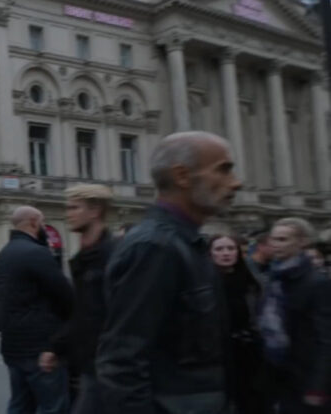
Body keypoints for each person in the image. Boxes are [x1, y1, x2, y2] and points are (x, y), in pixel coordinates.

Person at [97, 131, 242, 414]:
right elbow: (121, 361)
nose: (236, 183)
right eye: (224, 169)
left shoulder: (188, 243)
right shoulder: (155, 247)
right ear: (182, 176)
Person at [0, 205, 74, 414]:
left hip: (12, 347)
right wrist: (56, 342)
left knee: (20, 405)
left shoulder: (2, 256)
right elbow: (66, 295)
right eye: (42, 222)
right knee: (53, 407)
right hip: (40, 348)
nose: (43, 227)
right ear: (33, 222)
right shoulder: (37, 253)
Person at [50, 184, 115, 414]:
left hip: (107, 366)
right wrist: (57, 348)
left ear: (95, 211)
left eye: (74, 207)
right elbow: (82, 312)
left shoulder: (113, 255)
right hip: (86, 364)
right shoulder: (83, 258)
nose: (68, 213)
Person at [259, 218, 331, 413]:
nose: (275, 244)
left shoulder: (317, 283)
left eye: (283, 239)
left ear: (302, 242)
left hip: (305, 378)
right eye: (273, 239)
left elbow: (324, 339)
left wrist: (317, 385)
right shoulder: (273, 278)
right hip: (277, 374)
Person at [208, 234, 267, 414]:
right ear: (210, 253)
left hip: (248, 351)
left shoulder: (252, 281)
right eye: (219, 249)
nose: (226, 253)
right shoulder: (203, 283)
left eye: (231, 248)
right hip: (215, 353)